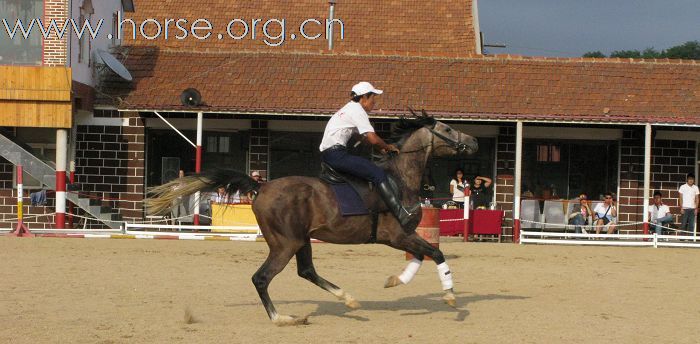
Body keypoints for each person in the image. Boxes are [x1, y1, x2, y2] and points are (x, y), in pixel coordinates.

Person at [319, 82, 419, 229]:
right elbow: (372, 138)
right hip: (336, 155)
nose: (374, 102)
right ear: (364, 97)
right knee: (377, 173)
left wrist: (380, 149)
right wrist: (387, 146)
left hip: (330, 154)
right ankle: (401, 214)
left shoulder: (348, 109)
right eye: (373, 97)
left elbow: (363, 139)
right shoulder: (357, 111)